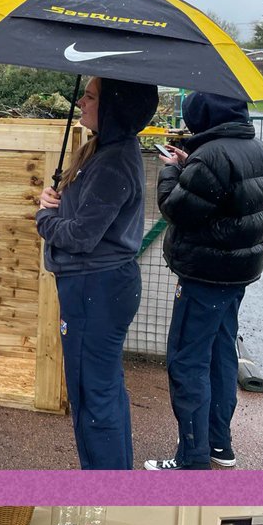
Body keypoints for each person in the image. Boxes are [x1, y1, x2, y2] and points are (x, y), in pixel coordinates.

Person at [144, 93, 263, 471]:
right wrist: (192, 165)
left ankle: (191, 457)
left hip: (204, 274)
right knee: (221, 356)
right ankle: (220, 445)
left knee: (187, 362)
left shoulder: (211, 156)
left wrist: (171, 169)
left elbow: (176, 209)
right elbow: (228, 195)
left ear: (203, 115)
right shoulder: (255, 147)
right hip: (237, 272)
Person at [35, 77, 159, 470]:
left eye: (90, 97)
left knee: (93, 394)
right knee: (100, 389)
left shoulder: (113, 161)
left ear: (114, 106)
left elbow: (82, 235)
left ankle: (105, 481)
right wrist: (56, 201)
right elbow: (83, 218)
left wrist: (44, 218)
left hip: (96, 290)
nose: (82, 102)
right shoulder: (102, 151)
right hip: (96, 287)